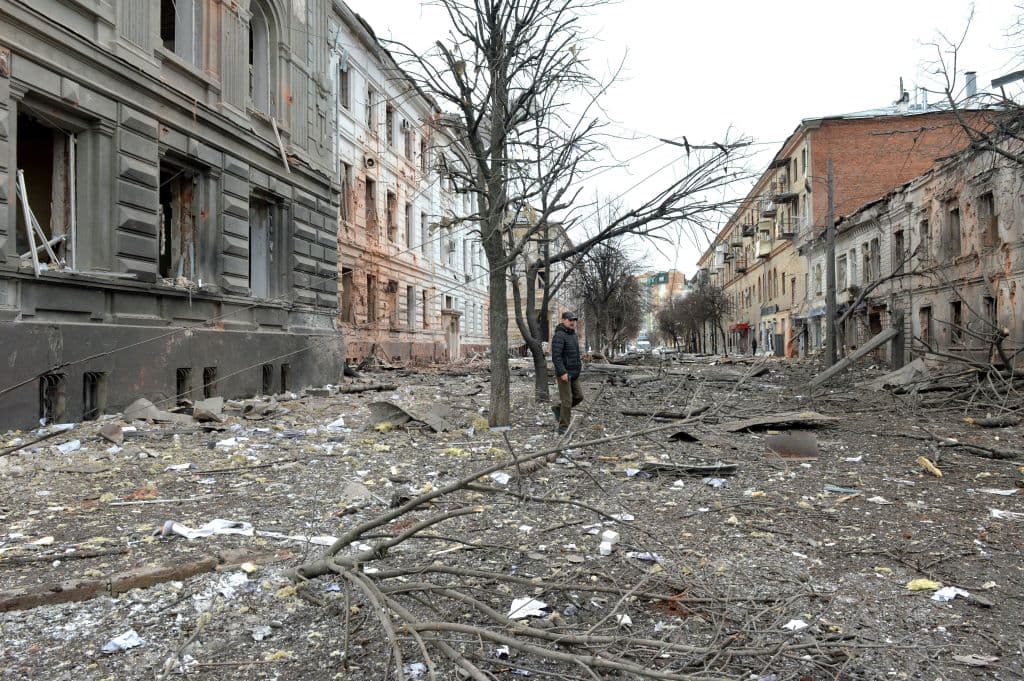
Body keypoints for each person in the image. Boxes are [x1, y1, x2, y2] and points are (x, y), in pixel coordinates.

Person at [550, 311, 583, 434]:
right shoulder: (559, 335)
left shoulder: (573, 335)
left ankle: (558, 409)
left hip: (574, 373)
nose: (572, 322)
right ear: (563, 320)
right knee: (567, 401)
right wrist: (562, 372)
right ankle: (563, 427)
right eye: (570, 320)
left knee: (579, 396)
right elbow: (556, 357)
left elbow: (574, 354)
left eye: (574, 320)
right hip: (564, 374)